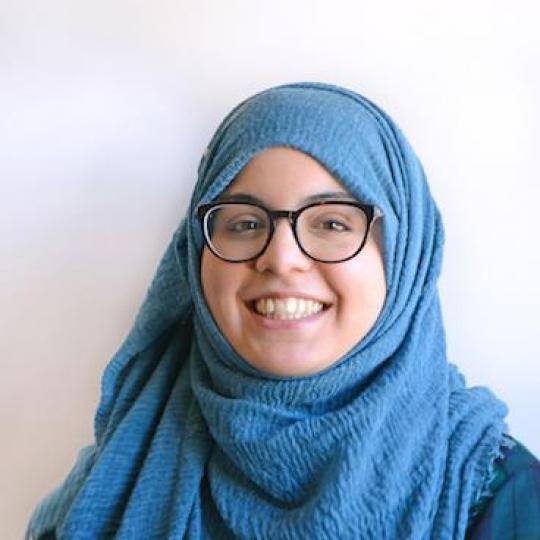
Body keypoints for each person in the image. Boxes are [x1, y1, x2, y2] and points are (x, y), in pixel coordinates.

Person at [27, 82, 539, 539]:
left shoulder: (500, 497)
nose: (281, 258)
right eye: (245, 223)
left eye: (332, 223)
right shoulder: (109, 488)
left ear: (404, 254)